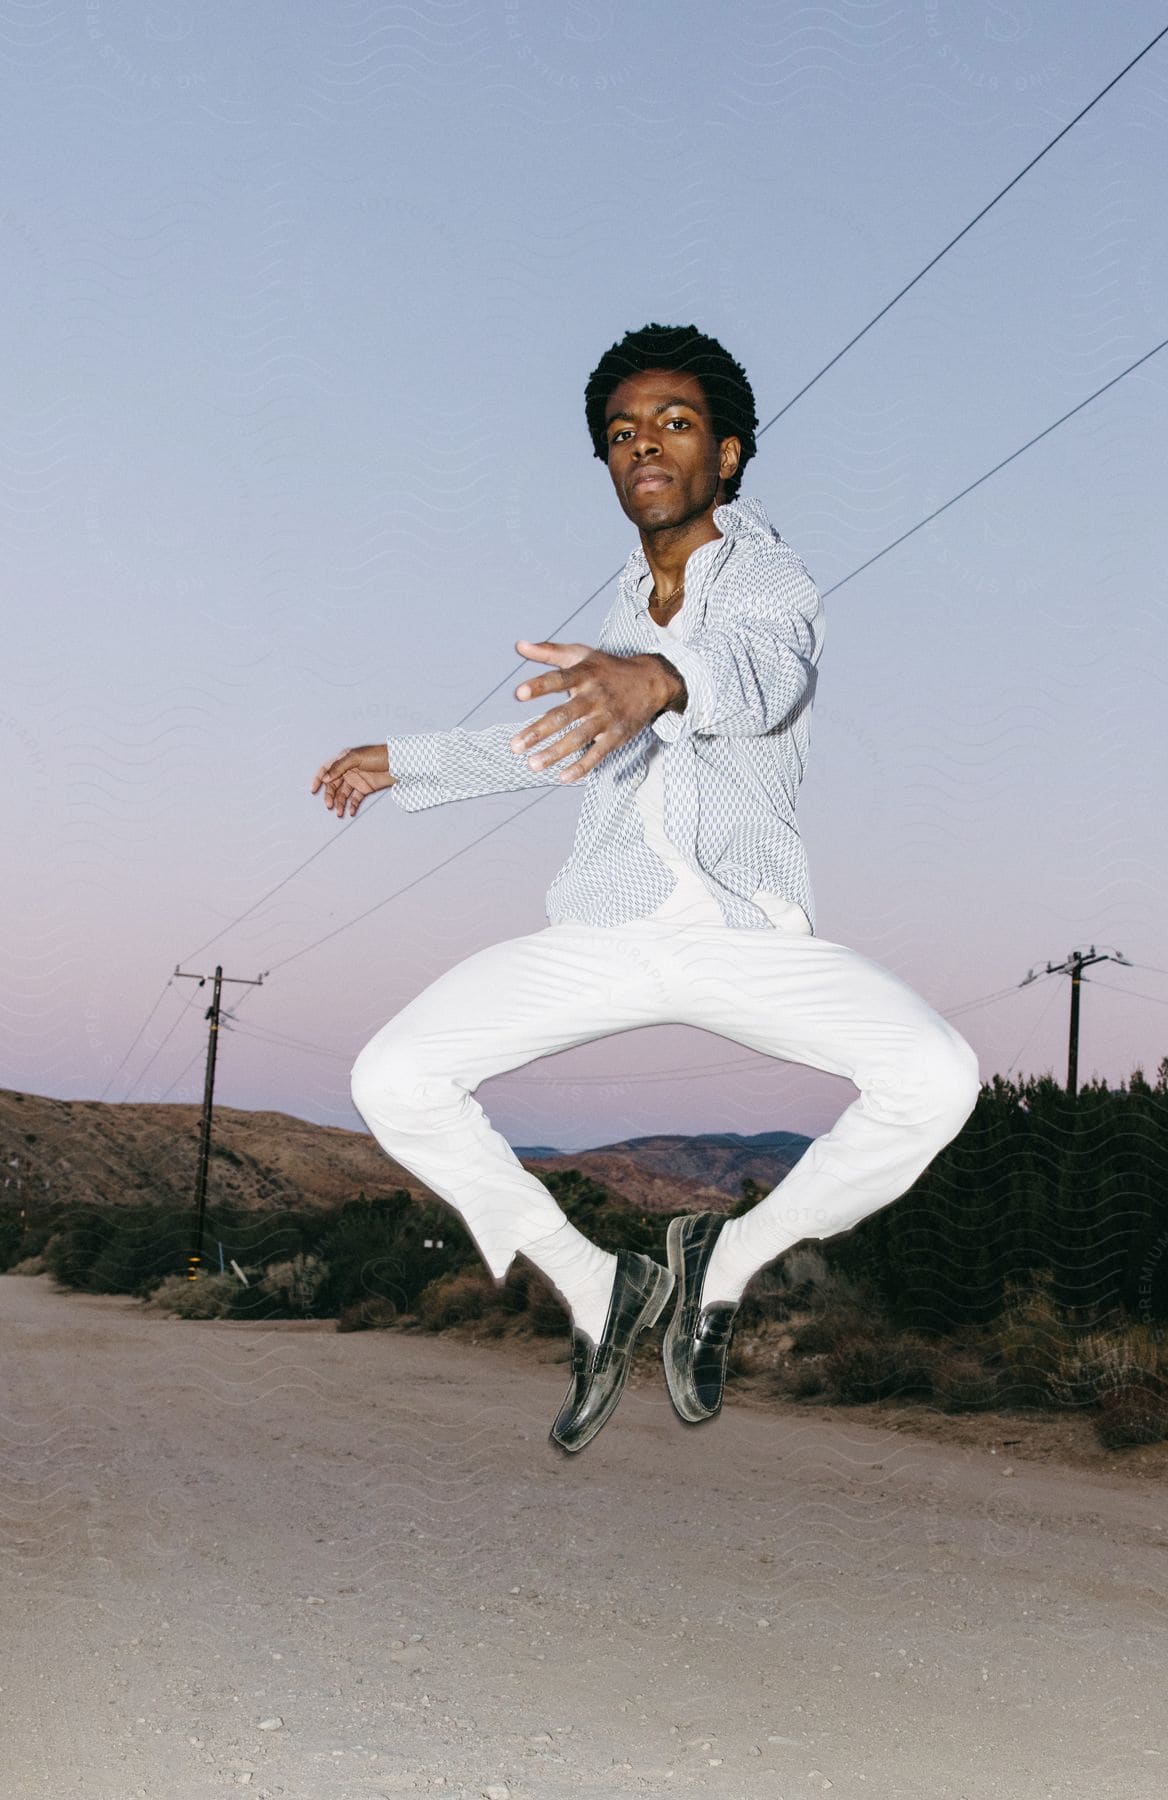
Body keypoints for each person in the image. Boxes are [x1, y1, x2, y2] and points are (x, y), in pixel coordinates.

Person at [311, 323, 980, 1454]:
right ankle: (592, 1283)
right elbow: (554, 743)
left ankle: (728, 1260)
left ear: (725, 455)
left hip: (745, 934)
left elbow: (769, 675)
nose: (643, 448)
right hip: (605, 929)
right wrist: (404, 761)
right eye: (621, 434)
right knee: (396, 1077)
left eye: (672, 424)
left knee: (935, 1076)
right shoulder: (621, 610)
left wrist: (665, 676)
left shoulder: (770, 577)